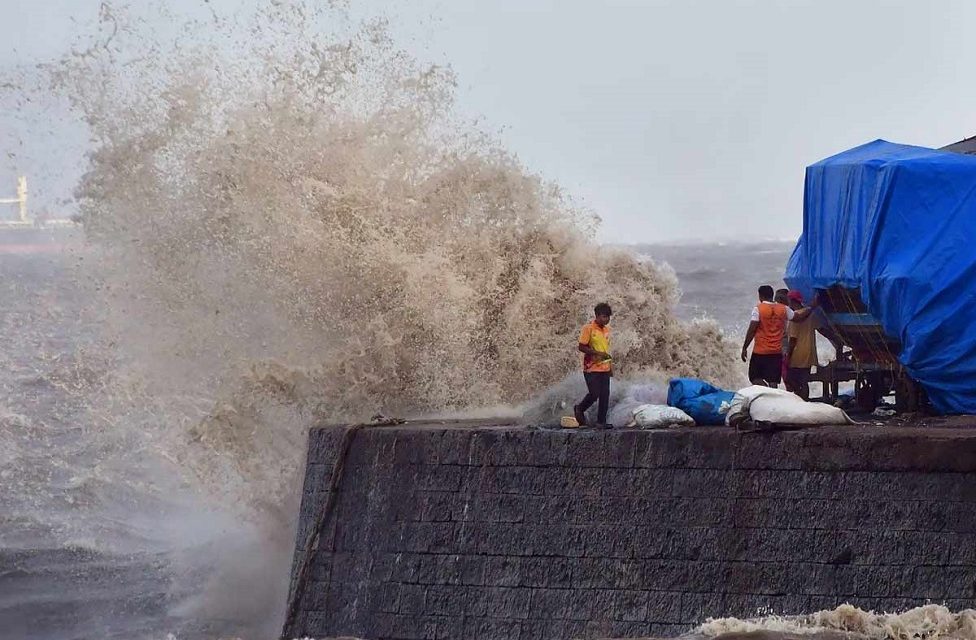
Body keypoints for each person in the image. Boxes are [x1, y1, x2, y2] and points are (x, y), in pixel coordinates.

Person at [741, 285, 814, 387]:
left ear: (760, 296)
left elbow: (752, 329)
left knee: (754, 377)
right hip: (776, 352)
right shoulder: (784, 308)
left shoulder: (758, 309)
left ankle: (765, 391)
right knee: (773, 381)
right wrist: (812, 306)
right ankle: (773, 396)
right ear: (772, 295)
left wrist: (745, 347)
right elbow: (799, 317)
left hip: (760, 351)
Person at [785, 290, 843, 400]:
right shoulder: (811, 316)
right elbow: (822, 330)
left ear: (792, 301)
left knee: (791, 379)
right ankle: (804, 401)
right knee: (804, 380)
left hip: (797, 354)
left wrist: (788, 355)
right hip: (809, 353)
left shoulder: (794, 318)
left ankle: (799, 401)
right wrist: (837, 340)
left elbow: (792, 340)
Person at [574, 303, 613, 429]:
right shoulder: (588, 328)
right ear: (596, 316)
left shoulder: (607, 330)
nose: (606, 319)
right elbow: (581, 346)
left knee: (605, 395)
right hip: (591, 367)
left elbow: (605, 349)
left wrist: (610, 366)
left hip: (604, 367)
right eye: (603, 316)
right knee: (594, 393)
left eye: (608, 317)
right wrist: (596, 353)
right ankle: (579, 408)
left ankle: (601, 422)